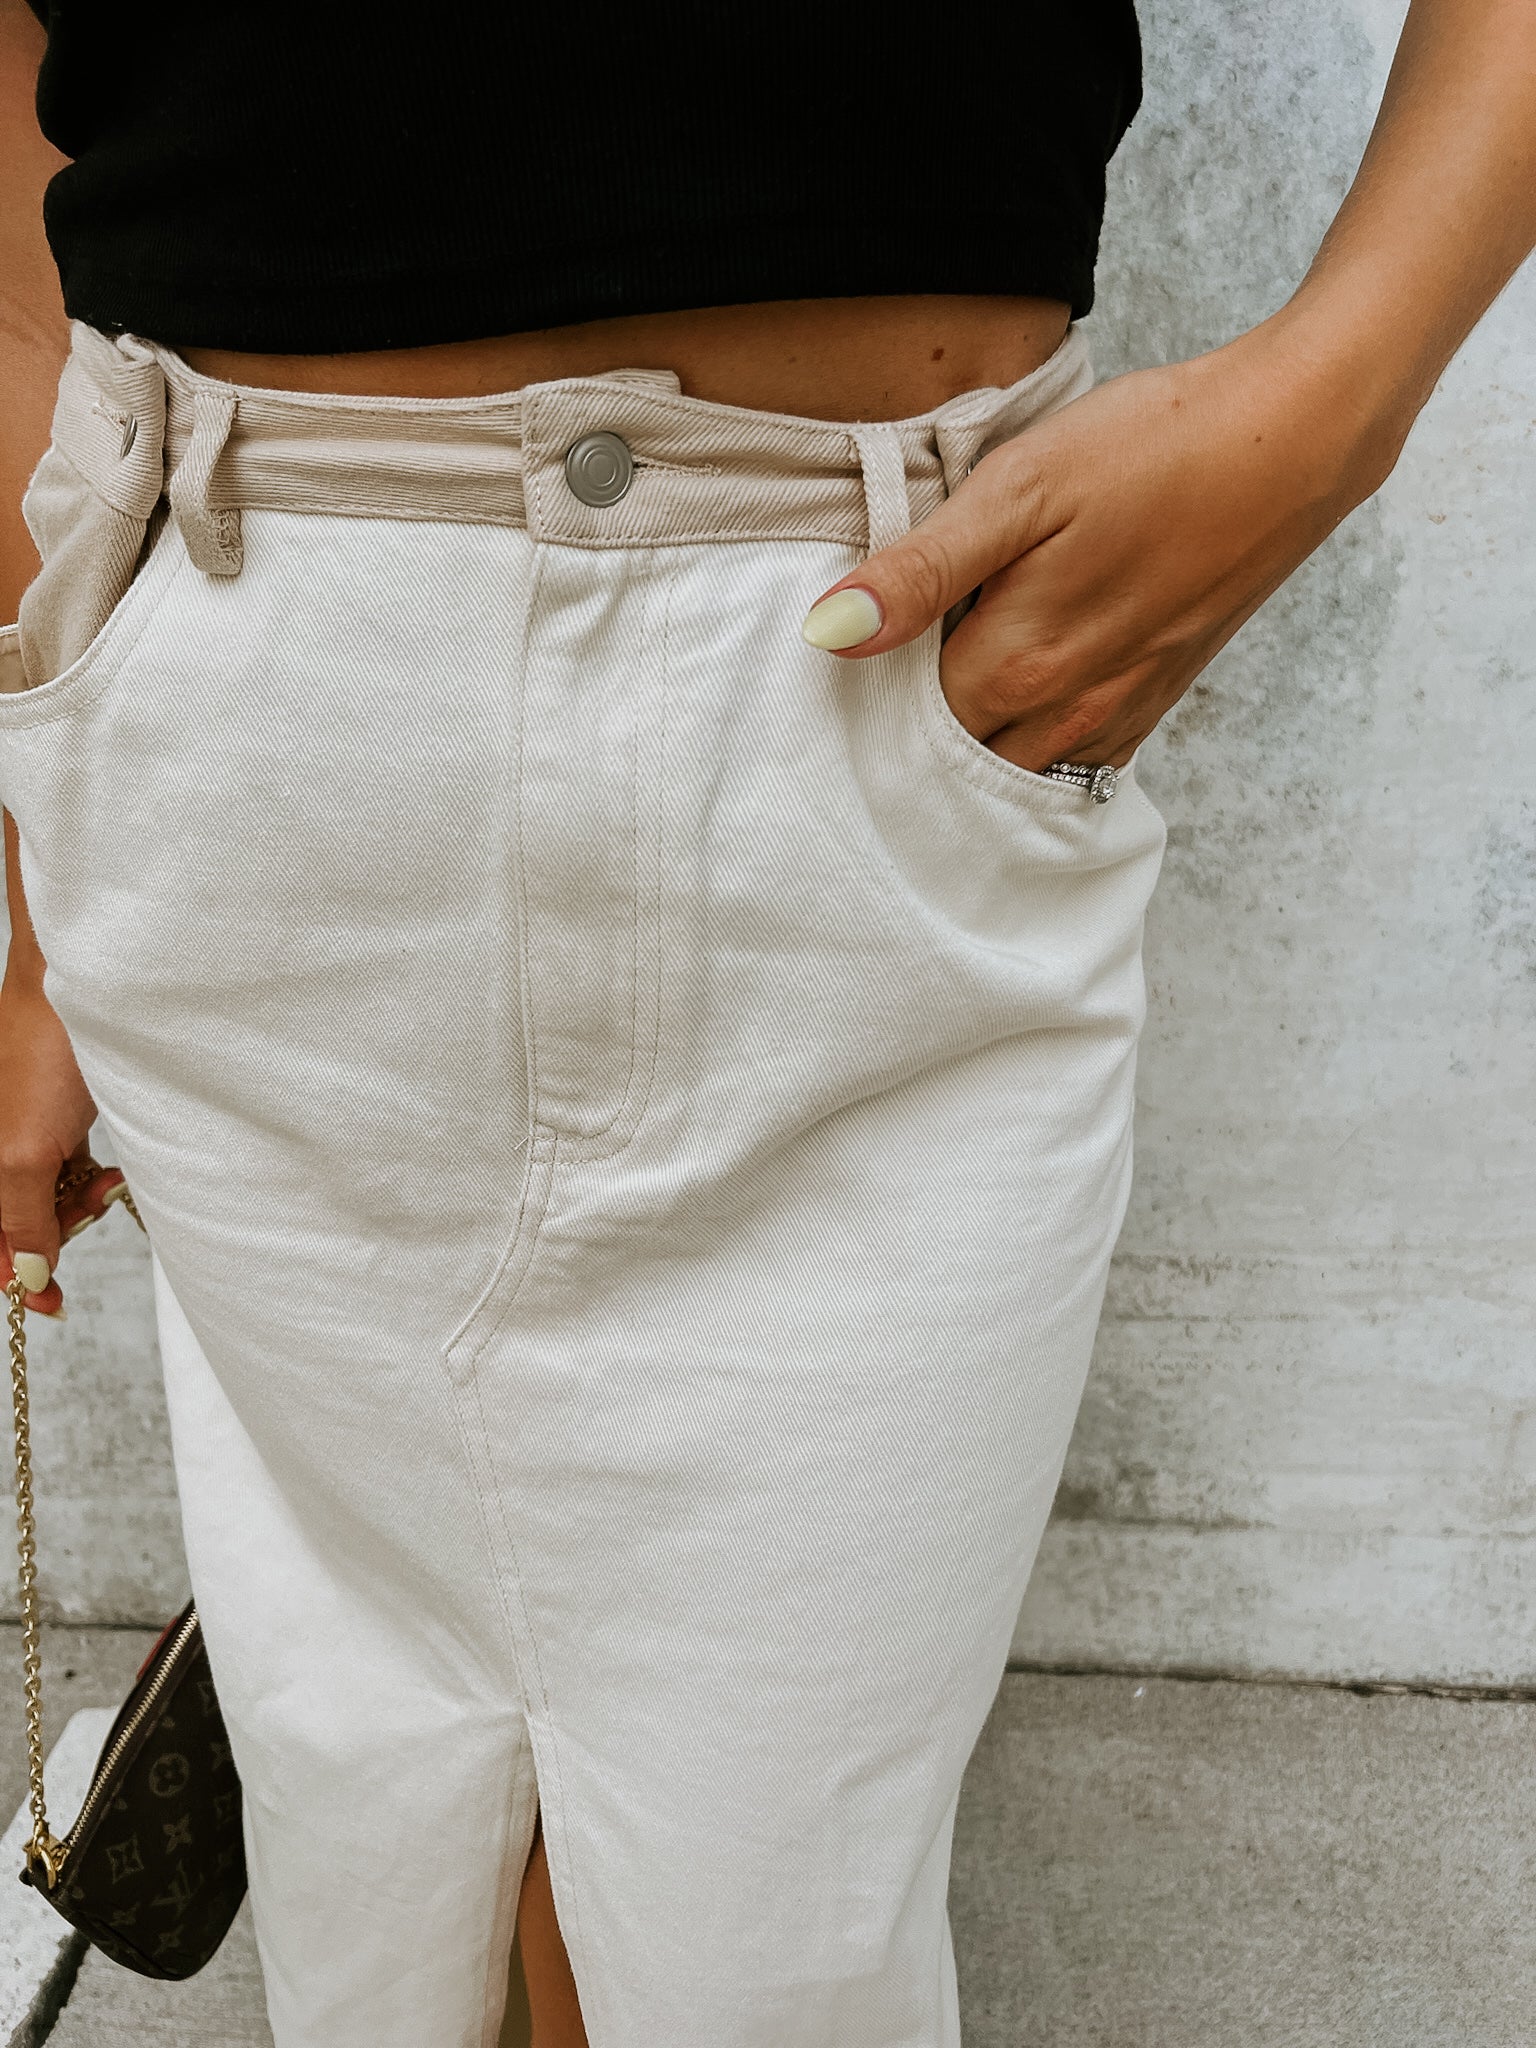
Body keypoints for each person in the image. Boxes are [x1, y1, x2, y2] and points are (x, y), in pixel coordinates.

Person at [1, 3, 1532, 2044]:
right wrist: (48, 843)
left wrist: (1345, 390)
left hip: (885, 699)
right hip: (253, 740)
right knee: (382, 1836)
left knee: (772, 1942)